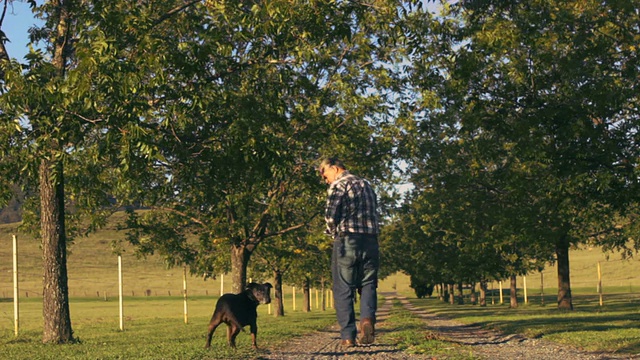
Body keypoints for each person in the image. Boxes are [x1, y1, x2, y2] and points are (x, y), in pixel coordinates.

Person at [319, 157, 380, 348]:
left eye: (324, 173)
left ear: (335, 168)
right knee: (369, 283)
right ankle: (367, 321)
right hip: (370, 240)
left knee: (343, 287)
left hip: (348, 240)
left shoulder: (339, 185)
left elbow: (330, 216)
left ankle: (348, 336)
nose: (324, 179)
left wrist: (332, 232)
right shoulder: (367, 185)